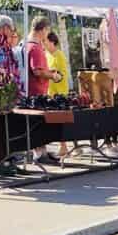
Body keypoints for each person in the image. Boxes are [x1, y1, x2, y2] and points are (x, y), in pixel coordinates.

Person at [25, 17, 63, 163]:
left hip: (33, 90)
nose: (48, 34)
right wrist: (53, 75)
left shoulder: (27, 44)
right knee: (38, 123)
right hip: (36, 91)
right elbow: (37, 71)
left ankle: (42, 151)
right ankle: (40, 153)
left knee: (36, 123)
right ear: (43, 30)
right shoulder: (34, 47)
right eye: (47, 30)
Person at [45, 31, 71, 159]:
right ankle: (63, 146)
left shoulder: (59, 55)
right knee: (57, 121)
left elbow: (61, 74)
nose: (44, 44)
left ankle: (65, 146)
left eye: (46, 41)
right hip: (51, 91)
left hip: (60, 92)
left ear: (52, 42)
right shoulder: (47, 54)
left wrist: (52, 74)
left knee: (62, 120)